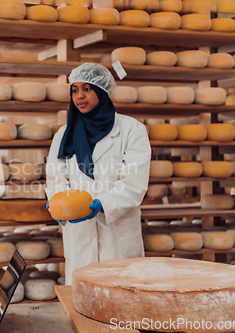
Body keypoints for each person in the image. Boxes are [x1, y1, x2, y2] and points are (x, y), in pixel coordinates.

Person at [45, 63, 151, 284]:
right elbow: (56, 176)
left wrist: (102, 204)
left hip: (117, 235)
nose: (79, 96)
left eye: (87, 89)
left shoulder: (132, 129)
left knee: (120, 303)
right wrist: (58, 201)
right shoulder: (64, 134)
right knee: (82, 304)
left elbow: (134, 183)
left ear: (101, 91)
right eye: (74, 90)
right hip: (80, 235)